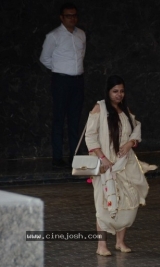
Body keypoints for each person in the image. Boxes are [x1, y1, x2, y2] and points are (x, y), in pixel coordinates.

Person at [85, 75, 149, 256]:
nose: (119, 95)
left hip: (125, 165)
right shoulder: (100, 108)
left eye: (121, 91)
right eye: (115, 91)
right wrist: (102, 157)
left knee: (127, 201)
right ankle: (101, 245)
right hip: (105, 165)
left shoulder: (125, 110)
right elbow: (90, 136)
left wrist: (130, 144)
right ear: (108, 92)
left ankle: (120, 242)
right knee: (104, 203)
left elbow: (135, 130)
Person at [39, 2, 86, 167]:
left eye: (74, 15)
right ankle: (57, 158)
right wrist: (60, 70)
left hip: (78, 81)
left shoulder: (81, 34)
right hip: (60, 81)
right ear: (61, 17)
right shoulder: (53, 36)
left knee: (75, 120)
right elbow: (44, 58)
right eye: (68, 16)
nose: (72, 18)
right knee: (59, 119)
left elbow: (81, 56)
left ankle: (75, 156)